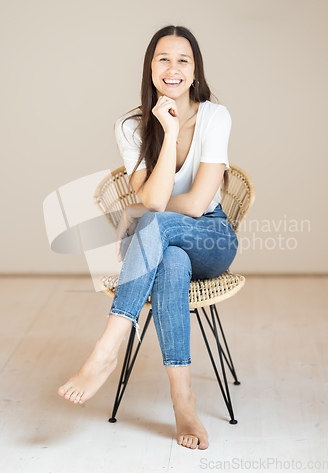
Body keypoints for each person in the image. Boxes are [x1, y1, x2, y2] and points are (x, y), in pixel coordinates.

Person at [57, 25, 238, 450]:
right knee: (170, 261)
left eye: (183, 60)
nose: (172, 68)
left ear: (195, 71)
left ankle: (105, 350)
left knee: (153, 224)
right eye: (163, 59)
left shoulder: (215, 116)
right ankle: (183, 400)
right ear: (150, 66)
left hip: (211, 238)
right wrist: (169, 132)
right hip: (168, 245)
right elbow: (156, 198)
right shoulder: (130, 126)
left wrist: (137, 211)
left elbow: (193, 205)